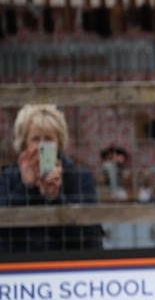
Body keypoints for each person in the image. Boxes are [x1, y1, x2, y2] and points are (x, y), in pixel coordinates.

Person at [0, 104, 102, 253]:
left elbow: (89, 237)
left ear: (59, 142)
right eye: (35, 139)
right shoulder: (7, 177)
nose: (42, 146)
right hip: (19, 265)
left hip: (66, 263)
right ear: (24, 143)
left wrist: (55, 197)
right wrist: (27, 188)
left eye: (48, 139)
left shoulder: (80, 177)